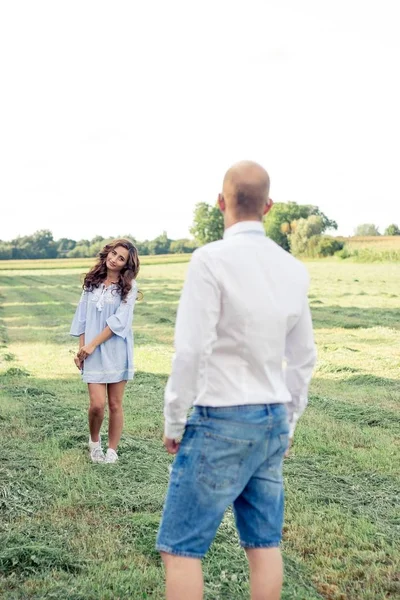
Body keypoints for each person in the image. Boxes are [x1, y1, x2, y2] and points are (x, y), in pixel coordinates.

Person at [156, 161, 317, 600]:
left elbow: (191, 349)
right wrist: (288, 421)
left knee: (181, 549)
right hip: (270, 421)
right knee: (264, 544)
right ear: (268, 205)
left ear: (221, 201)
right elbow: (304, 358)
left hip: (221, 417)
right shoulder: (292, 268)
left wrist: (174, 419)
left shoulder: (210, 260)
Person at [70, 239, 140, 464]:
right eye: (114, 253)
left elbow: (119, 322)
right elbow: (82, 319)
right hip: (92, 353)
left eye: (121, 258)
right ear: (108, 252)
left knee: (115, 404)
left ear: (126, 265)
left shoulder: (129, 287)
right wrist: (83, 349)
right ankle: (94, 443)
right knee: (97, 405)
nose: (114, 259)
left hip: (117, 350)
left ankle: (112, 450)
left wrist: (92, 344)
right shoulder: (91, 283)